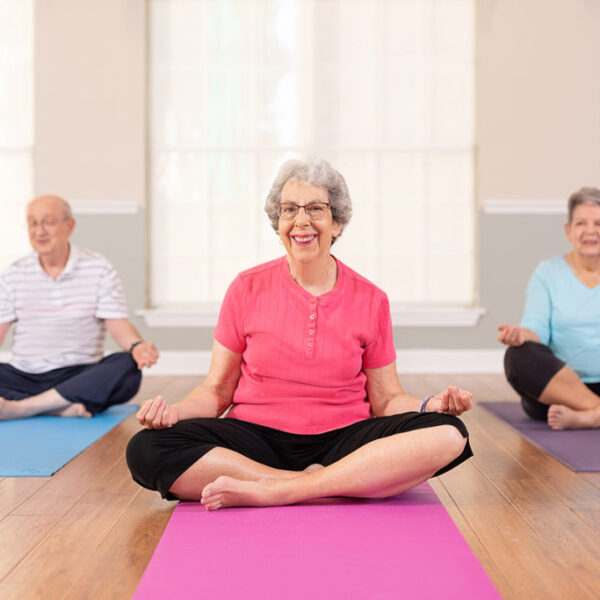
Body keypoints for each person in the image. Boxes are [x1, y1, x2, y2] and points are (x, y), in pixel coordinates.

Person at [127, 158, 473, 510]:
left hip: (343, 439)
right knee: (145, 448)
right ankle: (321, 483)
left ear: (337, 223)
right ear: (278, 222)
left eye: (315, 209)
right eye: (289, 209)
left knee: (448, 434)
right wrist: (175, 412)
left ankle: (278, 490)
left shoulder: (371, 299)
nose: (301, 220)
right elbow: (217, 392)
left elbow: (385, 400)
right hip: (255, 437)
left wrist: (430, 405)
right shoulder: (245, 288)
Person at [0, 194, 159, 420]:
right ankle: (56, 406)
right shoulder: (13, 274)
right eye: (33, 223)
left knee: (127, 366)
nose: (39, 231)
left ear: (69, 226)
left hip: (79, 373)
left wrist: (137, 346)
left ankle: (23, 408)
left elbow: (117, 324)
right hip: (25, 374)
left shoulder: (99, 268)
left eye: (48, 222)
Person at [498, 186, 600, 430]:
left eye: (598, 223)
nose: (590, 231)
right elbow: (536, 328)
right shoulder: (548, 272)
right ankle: (595, 409)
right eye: (581, 223)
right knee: (517, 356)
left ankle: (592, 416)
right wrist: (521, 335)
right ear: (568, 230)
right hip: (559, 391)